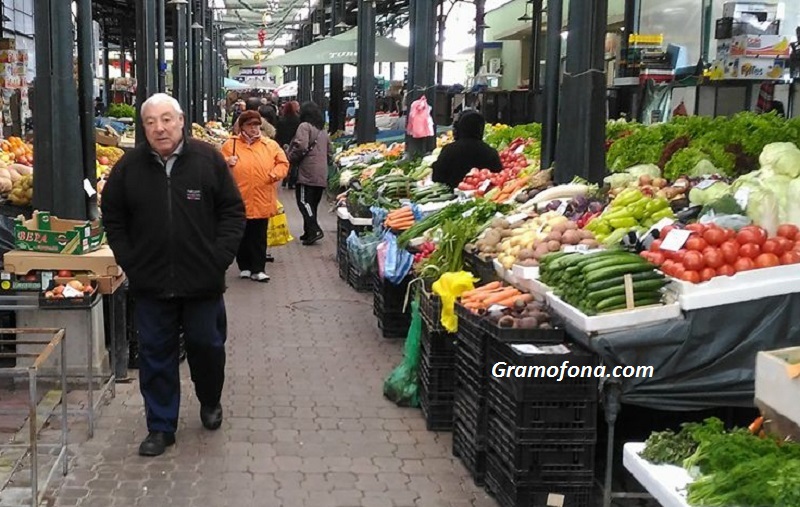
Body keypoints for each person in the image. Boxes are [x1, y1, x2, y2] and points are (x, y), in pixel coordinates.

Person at [100, 93, 245, 457]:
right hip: (151, 283)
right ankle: (161, 426)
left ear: (181, 121)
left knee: (207, 346)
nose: (159, 128)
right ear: (144, 126)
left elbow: (232, 212)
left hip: (203, 281)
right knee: (156, 354)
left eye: (166, 119)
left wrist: (219, 257)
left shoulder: (207, 160)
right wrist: (130, 260)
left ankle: (210, 399)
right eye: (151, 121)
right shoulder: (128, 167)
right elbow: (113, 217)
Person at [220, 111, 289, 280]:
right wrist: (227, 162)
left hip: (262, 196)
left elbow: (283, 163)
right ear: (242, 126)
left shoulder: (270, 145)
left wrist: (274, 174)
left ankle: (258, 269)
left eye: (257, 125)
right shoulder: (231, 144)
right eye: (250, 125)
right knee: (242, 234)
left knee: (259, 235)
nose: (254, 129)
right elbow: (218, 164)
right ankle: (244, 266)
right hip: (239, 197)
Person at [287, 101, 331, 246]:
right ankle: (308, 233)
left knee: (303, 201)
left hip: (307, 172)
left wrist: (290, 157)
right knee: (313, 204)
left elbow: (301, 145)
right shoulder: (322, 130)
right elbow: (330, 151)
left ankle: (315, 229)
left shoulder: (304, 126)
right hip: (321, 172)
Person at [431, 109, 502, 189]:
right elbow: (498, 178)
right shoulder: (490, 153)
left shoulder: (449, 150)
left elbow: (436, 177)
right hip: (482, 198)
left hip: (450, 198)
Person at [276, 101, 301, 189]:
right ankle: (291, 182)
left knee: (285, 161)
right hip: (294, 143)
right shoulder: (298, 119)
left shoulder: (281, 120)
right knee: (293, 163)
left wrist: (280, 143)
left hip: (284, 143)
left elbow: (278, 133)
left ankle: (285, 179)